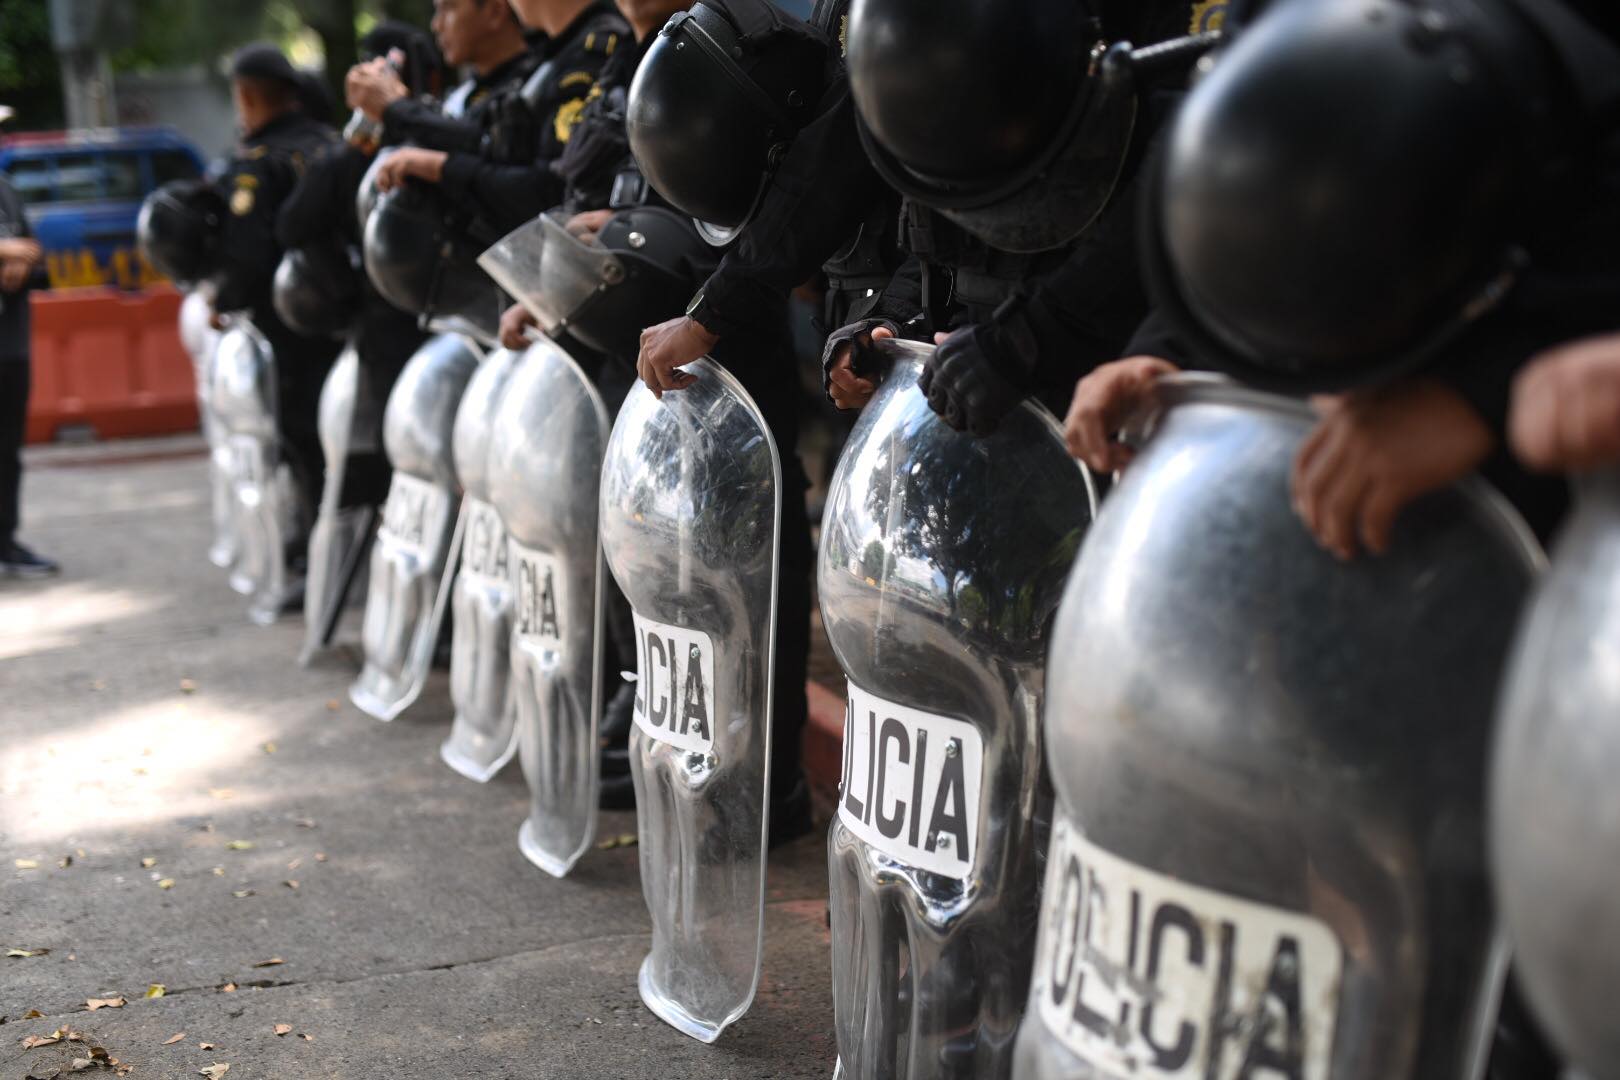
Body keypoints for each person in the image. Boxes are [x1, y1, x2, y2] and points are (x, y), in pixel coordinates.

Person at [817, 0, 1212, 441]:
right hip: (987, 392)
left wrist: (1027, 340)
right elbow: (950, 229)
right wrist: (891, 327)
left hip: (1115, 392)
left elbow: (1188, 184)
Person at [278, 22, 445, 506]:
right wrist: (348, 287)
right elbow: (293, 225)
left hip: (437, 332)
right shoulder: (359, 151)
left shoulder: (439, 133)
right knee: (388, 483)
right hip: (394, 333)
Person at [211, 44, 345, 544]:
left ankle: (314, 545)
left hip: (285, 327)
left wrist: (221, 302)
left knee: (300, 438)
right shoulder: (332, 143)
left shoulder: (257, 163)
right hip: (348, 317)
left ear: (246, 96)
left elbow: (247, 255)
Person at [361, 0, 627, 237]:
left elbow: (548, 190)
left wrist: (441, 166)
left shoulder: (593, 51)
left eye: (449, 7)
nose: (436, 24)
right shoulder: (553, 54)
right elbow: (484, 139)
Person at [0, 170, 52, 579]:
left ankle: (6, 542)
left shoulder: (6, 190)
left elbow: (38, 257)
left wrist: (23, 265)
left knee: (7, 452)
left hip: (10, 344)